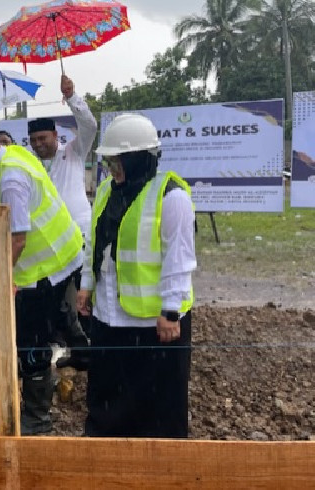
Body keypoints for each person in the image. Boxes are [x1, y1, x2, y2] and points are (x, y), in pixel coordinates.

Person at [0, 110, 84, 435]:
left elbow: (19, 238)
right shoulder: (11, 158)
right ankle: (87, 358)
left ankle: (37, 421)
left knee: (32, 341)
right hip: (63, 256)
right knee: (66, 320)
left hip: (46, 266)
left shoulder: (9, 177)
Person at [77, 113, 196, 438]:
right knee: (106, 398)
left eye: (118, 162)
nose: (112, 170)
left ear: (140, 159)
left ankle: (158, 469)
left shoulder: (172, 197)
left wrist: (170, 311)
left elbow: (179, 259)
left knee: (159, 407)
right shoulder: (105, 192)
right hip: (109, 318)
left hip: (155, 326)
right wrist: (87, 285)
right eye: (110, 162)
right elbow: (95, 244)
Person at [28, 74, 97, 371]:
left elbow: (90, 125)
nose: (39, 145)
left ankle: (96, 353)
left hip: (80, 239)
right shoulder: (31, 167)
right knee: (59, 303)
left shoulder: (74, 153)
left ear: (56, 136)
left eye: (43, 139)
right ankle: (76, 351)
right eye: (33, 141)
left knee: (86, 299)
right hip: (53, 246)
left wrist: (72, 97)